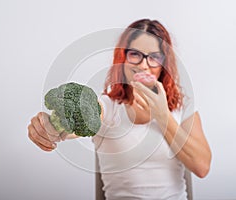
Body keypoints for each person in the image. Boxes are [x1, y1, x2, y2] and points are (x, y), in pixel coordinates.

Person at [28, 19, 212, 200]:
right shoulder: (109, 106)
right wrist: (50, 128)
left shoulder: (183, 107)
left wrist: (163, 116)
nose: (143, 65)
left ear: (164, 64)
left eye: (154, 57)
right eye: (135, 54)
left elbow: (202, 167)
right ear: (122, 58)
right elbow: (84, 116)